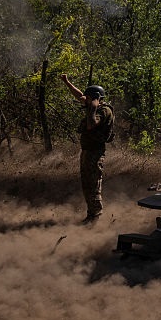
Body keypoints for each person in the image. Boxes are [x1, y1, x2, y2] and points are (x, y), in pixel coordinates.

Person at [61, 74, 114, 224]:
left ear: (96, 98)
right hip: (88, 151)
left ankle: (95, 216)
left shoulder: (104, 111)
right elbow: (80, 96)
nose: (85, 100)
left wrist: (93, 108)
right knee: (86, 184)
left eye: (89, 98)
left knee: (93, 184)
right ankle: (91, 214)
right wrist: (67, 82)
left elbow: (91, 125)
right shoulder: (92, 105)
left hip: (95, 153)